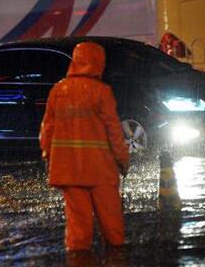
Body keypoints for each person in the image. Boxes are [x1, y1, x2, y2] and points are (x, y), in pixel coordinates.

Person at [39, 41, 130, 252]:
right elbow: (114, 132)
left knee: (78, 229)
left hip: (68, 171)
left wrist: (48, 156)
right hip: (101, 169)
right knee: (112, 225)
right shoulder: (101, 92)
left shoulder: (58, 90)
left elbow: (47, 129)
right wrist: (123, 160)